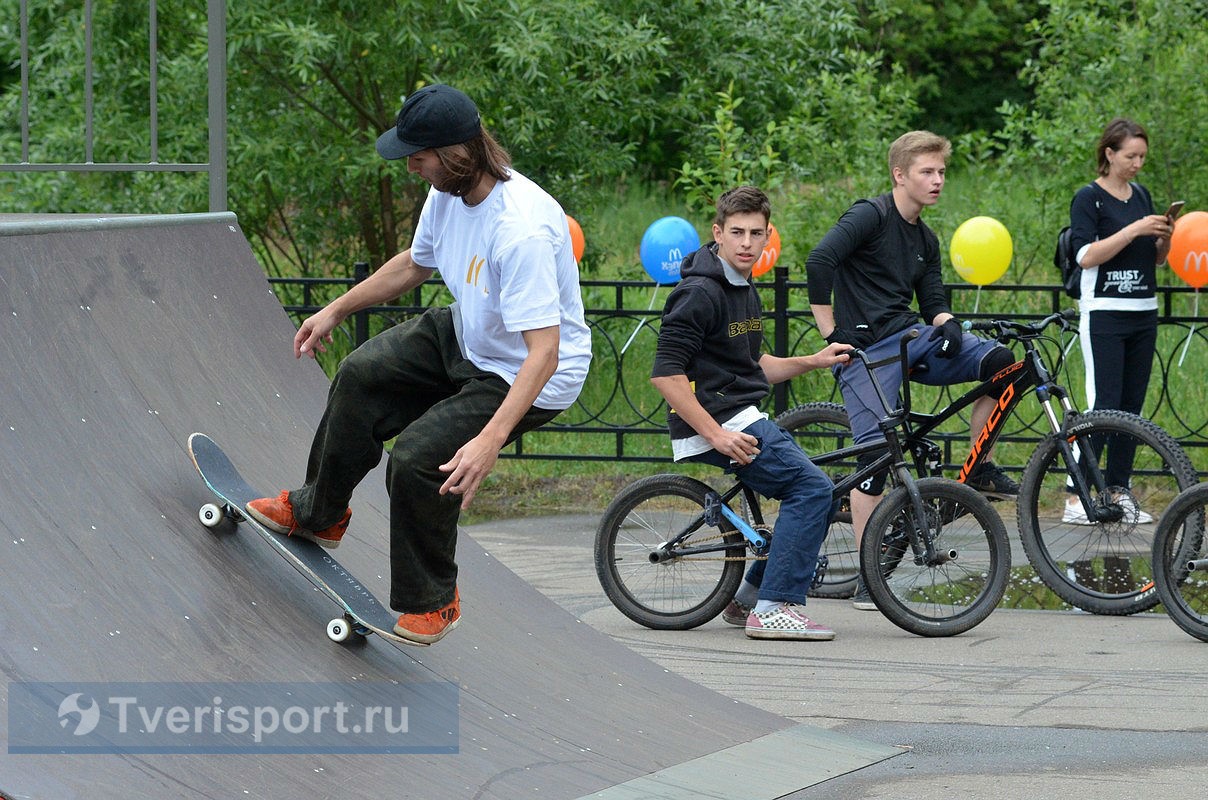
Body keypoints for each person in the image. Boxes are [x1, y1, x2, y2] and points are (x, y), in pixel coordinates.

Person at [247, 84, 592, 644]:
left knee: (417, 460)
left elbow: (544, 353)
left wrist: (490, 440)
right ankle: (320, 512)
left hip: (526, 372)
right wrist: (335, 308)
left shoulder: (522, 229)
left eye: (420, 156)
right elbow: (414, 264)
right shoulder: (447, 193)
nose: (412, 168)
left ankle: (434, 601)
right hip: (468, 331)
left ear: (459, 153)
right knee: (361, 374)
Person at [805, 130, 1018, 609]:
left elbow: (934, 301)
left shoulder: (926, 237)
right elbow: (820, 260)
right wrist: (829, 333)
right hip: (866, 351)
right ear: (900, 175)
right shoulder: (870, 215)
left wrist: (950, 325)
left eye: (942, 172)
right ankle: (869, 576)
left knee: (1002, 364)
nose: (938, 180)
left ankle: (977, 466)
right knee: (874, 461)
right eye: (927, 171)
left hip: (910, 339)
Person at [650, 186, 850, 640]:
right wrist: (717, 436)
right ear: (717, 233)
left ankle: (746, 601)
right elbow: (666, 376)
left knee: (823, 491)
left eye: (755, 233)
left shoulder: (742, 286)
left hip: (737, 413)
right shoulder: (699, 292)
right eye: (736, 232)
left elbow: (754, 366)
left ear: (766, 237)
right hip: (716, 423)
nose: (745, 242)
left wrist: (815, 360)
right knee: (811, 488)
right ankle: (775, 606)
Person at [1063, 117, 1172, 525]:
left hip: (1143, 310)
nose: (1138, 164)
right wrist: (1133, 230)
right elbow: (1086, 256)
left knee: (1132, 408)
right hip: (1104, 311)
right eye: (1131, 156)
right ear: (1109, 154)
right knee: (1104, 404)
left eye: (1143, 156)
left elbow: (1156, 259)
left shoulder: (1141, 195)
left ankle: (1117, 491)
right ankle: (1076, 495)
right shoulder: (1088, 198)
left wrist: (1162, 237)